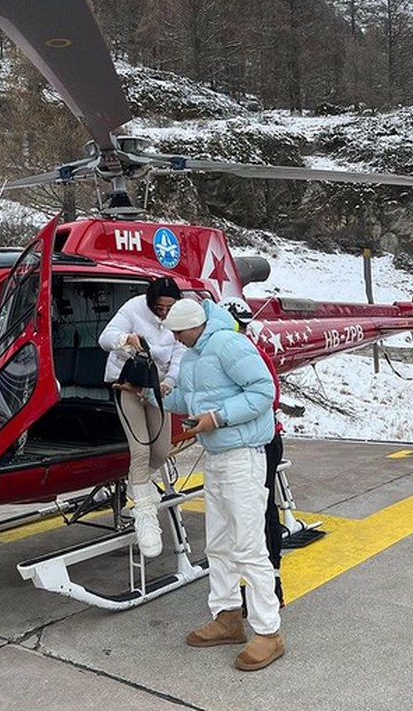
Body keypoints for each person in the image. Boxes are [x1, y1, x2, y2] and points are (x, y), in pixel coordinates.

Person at [163, 297, 284, 671]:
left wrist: (217, 418)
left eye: (178, 332)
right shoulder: (194, 354)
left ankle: (269, 632)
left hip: (243, 455)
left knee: (248, 545)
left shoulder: (228, 343)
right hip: (217, 455)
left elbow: (263, 391)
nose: (175, 339)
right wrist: (153, 392)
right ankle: (228, 615)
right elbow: (188, 397)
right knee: (218, 542)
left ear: (192, 325)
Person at [99, 277, 183, 558]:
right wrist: (126, 340)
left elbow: (180, 353)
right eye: (159, 307)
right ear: (150, 302)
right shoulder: (134, 308)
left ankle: (138, 485)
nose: (164, 313)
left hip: (158, 387)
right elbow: (105, 338)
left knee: (161, 451)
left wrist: (169, 382)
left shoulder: (178, 317)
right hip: (129, 384)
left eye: (169, 308)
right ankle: (145, 515)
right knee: (141, 449)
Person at [220, 296, 285, 609]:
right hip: (260, 441)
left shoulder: (244, 354)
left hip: (260, 443)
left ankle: (271, 587)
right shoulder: (241, 351)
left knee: (260, 511)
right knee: (257, 510)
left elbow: (267, 397)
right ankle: (265, 584)